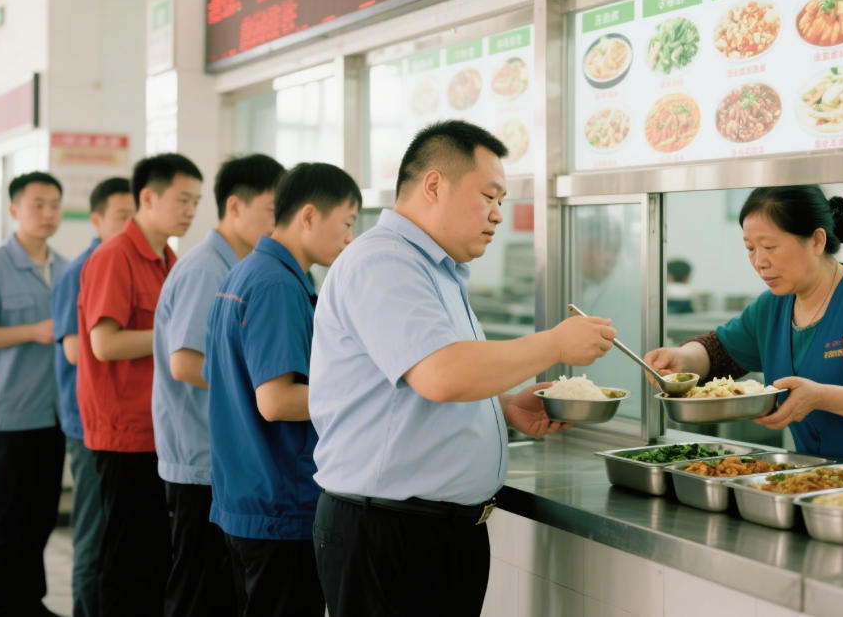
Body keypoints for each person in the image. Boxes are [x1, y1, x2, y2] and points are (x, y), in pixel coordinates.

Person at [308, 120, 616, 616]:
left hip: (439, 533)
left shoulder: (439, 269)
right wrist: (556, 342)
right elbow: (441, 374)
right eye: (489, 197)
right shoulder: (384, 262)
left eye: (503, 201)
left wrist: (503, 406)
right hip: (388, 532)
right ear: (434, 184)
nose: (498, 215)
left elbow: (419, 384)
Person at [645, 185, 843, 466]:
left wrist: (819, 397)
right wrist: (682, 359)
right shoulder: (773, 306)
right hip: (817, 476)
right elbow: (720, 352)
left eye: (769, 247)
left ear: (817, 241)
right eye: (750, 248)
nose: (759, 262)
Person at [205, 162, 361, 617]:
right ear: (309, 216)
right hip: (278, 501)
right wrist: (363, 395)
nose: (350, 238)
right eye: (347, 223)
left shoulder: (248, 272)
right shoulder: (276, 284)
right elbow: (276, 401)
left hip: (248, 493)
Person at [152, 154, 284, 617]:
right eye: (273, 209)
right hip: (199, 461)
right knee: (197, 590)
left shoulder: (242, 264)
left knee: (218, 593)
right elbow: (185, 363)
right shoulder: (206, 268)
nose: (280, 221)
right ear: (235, 206)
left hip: (220, 459)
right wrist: (265, 390)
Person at [77, 153, 203, 615]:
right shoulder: (114, 256)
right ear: (146, 198)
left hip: (162, 429)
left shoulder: (171, 259)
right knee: (128, 558)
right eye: (182, 199)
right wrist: (176, 336)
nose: (191, 210)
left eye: (196, 201)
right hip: (125, 432)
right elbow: (104, 344)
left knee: (155, 556)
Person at [0, 171, 69, 617]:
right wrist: (32, 331)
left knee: (41, 516)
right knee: (7, 519)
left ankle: (30, 602)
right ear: (14, 210)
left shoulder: (63, 267)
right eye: (38, 204)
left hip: (52, 412)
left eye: (55, 204)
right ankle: (2, 607)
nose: (47, 213)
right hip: (7, 415)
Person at [51, 176, 135, 617]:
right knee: (92, 531)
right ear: (97, 218)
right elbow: (73, 349)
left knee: (117, 533)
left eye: (135, 216)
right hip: (90, 424)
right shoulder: (82, 270)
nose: (130, 225)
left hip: (125, 426)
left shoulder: (129, 263)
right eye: (122, 216)